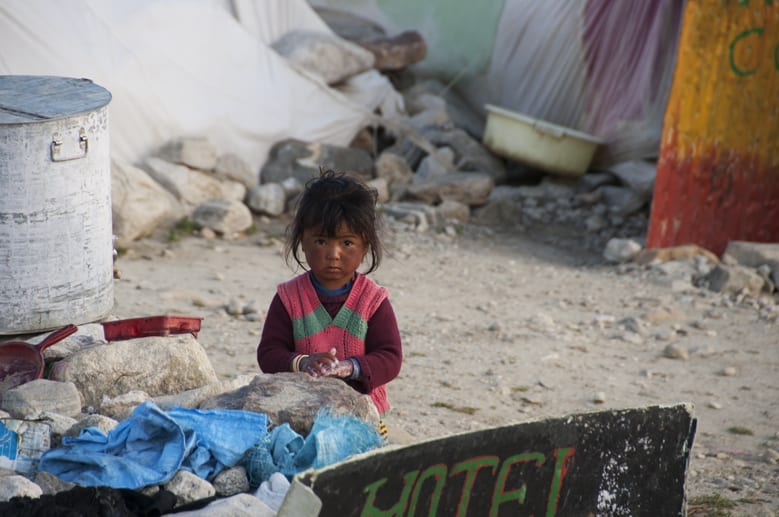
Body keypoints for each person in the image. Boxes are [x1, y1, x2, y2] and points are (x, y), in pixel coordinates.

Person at [257, 169, 402, 433]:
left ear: (365, 246)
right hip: (301, 411)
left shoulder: (373, 301)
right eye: (321, 241)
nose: (333, 254)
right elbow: (268, 353)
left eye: (347, 243)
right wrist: (302, 362)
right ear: (303, 242)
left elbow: (390, 358)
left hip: (363, 411)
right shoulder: (289, 298)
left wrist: (350, 367)